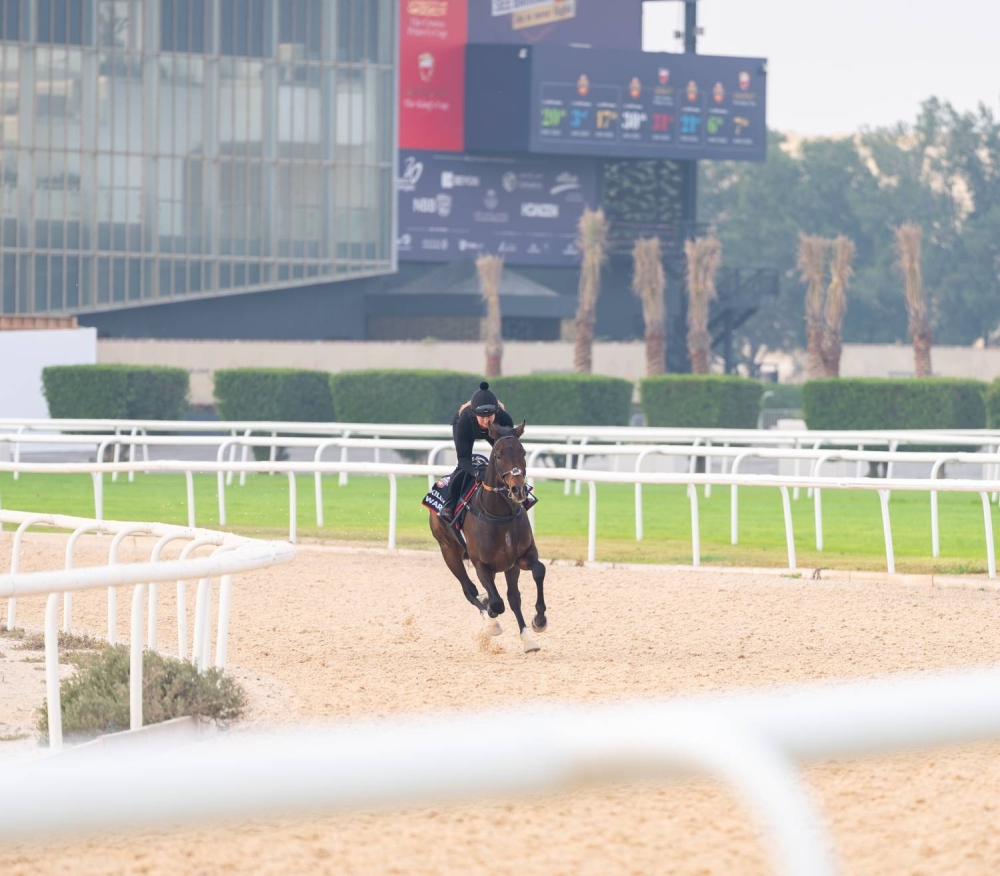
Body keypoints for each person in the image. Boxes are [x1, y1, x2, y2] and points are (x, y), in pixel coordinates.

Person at [438, 381, 515, 525]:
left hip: (496, 431)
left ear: (496, 413)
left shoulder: (504, 419)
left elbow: (510, 455)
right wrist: (476, 472)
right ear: (474, 415)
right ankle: (449, 505)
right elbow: (463, 458)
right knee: (462, 468)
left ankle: (521, 497)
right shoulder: (465, 421)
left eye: (490, 417)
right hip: (468, 429)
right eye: (482, 417)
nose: (486, 421)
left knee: (507, 461)